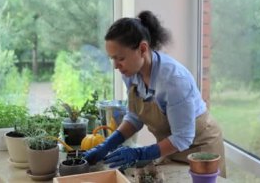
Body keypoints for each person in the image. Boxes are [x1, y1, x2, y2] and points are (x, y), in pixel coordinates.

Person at [83, 10, 226, 177]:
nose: (116, 66)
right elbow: (135, 117)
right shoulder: (130, 74)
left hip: (200, 148)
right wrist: (106, 145)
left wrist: (140, 153)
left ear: (142, 49)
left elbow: (182, 138)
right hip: (170, 149)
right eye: (112, 59)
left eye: (120, 58)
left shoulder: (173, 80)